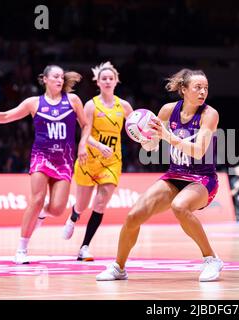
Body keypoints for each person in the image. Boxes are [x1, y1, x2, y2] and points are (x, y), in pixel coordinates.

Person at [96, 68, 224, 282]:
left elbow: (199, 150)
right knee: (133, 216)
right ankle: (118, 267)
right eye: (198, 87)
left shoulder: (209, 114)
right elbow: (152, 146)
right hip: (175, 175)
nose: (203, 92)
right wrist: (145, 138)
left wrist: (168, 137)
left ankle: (211, 259)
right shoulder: (167, 110)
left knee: (180, 206)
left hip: (203, 179)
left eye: (206, 88)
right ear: (183, 90)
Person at [0, 65, 91, 264]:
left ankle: (43, 214)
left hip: (64, 160)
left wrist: (83, 145)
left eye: (62, 77)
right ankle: (22, 248)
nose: (59, 80)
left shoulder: (72, 100)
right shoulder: (33, 103)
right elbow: (6, 116)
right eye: (55, 76)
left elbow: (86, 124)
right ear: (44, 79)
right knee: (37, 199)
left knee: (57, 209)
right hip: (41, 157)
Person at [61, 62, 133, 261]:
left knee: (100, 204)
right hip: (89, 159)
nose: (108, 81)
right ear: (98, 82)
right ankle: (74, 216)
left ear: (116, 81)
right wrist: (99, 146)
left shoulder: (124, 106)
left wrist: (146, 138)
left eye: (111, 78)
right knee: (82, 205)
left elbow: (135, 128)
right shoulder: (92, 105)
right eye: (104, 78)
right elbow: (85, 132)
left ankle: (84, 247)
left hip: (112, 161)